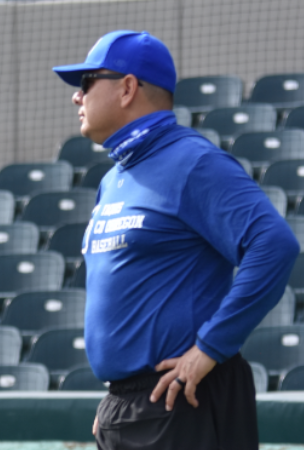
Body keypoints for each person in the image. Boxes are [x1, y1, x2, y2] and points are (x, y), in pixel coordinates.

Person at [52, 30, 299, 449]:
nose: (77, 96)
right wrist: (121, 393)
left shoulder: (193, 162)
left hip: (181, 403)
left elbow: (275, 245)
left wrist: (209, 347)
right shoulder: (114, 178)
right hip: (134, 405)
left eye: (87, 82)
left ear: (128, 87)